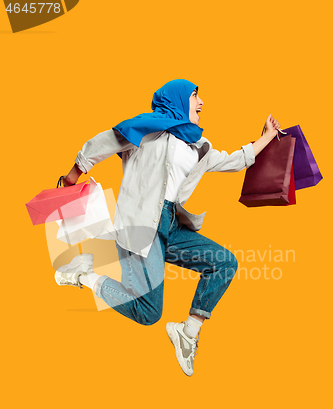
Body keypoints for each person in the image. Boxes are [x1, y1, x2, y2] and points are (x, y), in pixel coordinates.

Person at [55, 79, 281, 376]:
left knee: (224, 262)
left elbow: (236, 161)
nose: (201, 103)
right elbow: (103, 143)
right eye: (195, 95)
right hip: (138, 228)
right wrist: (72, 176)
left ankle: (188, 332)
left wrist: (267, 136)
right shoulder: (146, 130)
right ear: (177, 99)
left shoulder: (199, 147)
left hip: (170, 226)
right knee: (148, 313)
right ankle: (83, 275)